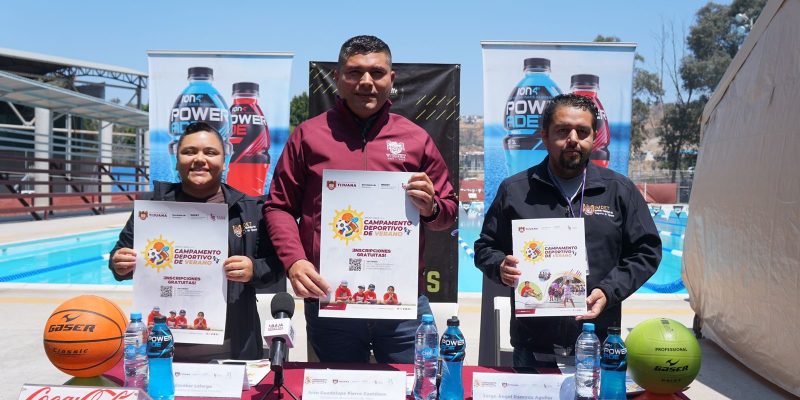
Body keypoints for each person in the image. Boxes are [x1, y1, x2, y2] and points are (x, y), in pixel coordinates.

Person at [264, 35, 457, 363]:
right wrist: (294, 261)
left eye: (377, 73)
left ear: (391, 79)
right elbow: (279, 206)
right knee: (338, 385)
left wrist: (432, 207)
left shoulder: (415, 138)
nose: (366, 82)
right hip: (330, 299)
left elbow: (448, 211)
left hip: (402, 304)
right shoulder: (308, 136)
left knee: (417, 384)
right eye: (354, 72)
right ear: (337, 78)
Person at [474, 94, 661, 368]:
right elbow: (485, 247)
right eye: (562, 131)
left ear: (594, 138)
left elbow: (647, 251)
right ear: (545, 136)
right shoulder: (515, 190)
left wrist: (609, 291)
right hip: (532, 347)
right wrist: (499, 265)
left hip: (597, 341)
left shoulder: (618, 190)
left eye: (582, 132)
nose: (573, 139)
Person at [109, 122, 283, 361]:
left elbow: (276, 267)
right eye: (189, 152)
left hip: (231, 346)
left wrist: (254, 269)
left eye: (210, 152)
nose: (199, 159)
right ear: (176, 158)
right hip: (161, 347)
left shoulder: (249, 210)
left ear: (224, 161)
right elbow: (119, 257)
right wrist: (119, 262)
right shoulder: (152, 207)